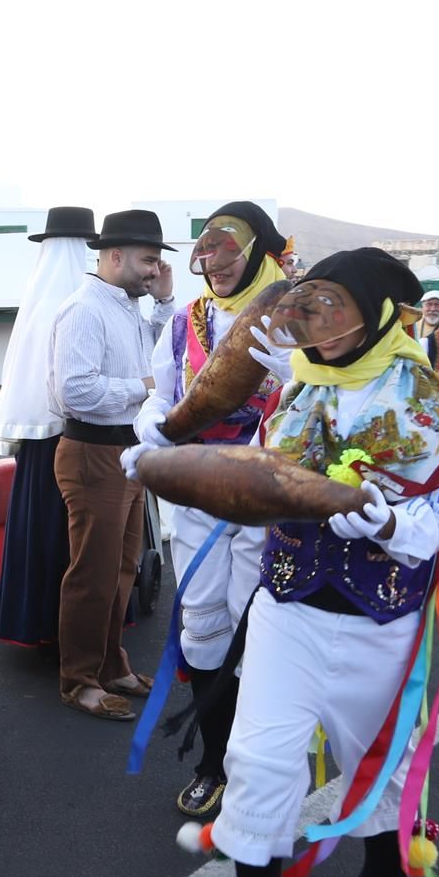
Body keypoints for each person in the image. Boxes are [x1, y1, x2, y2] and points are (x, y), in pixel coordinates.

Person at [165, 248, 439, 877]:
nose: (317, 324)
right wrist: (177, 464)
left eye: (333, 308)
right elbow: (254, 472)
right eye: (309, 306)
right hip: (288, 609)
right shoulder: (292, 388)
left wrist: (386, 523)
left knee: (383, 769)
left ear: (374, 316)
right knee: (260, 761)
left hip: (383, 620)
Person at [132, 202, 290, 816]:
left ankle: (258, 767)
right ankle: (214, 761)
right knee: (202, 625)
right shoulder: (186, 321)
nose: (214, 267)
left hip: (262, 495)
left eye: (227, 253)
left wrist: (256, 456)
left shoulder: (293, 314)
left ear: (255, 251)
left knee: (255, 625)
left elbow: (309, 401)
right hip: (195, 490)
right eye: (207, 254)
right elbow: (163, 391)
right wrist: (155, 430)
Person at [49, 209, 176, 720]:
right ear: (115, 256)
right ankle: (78, 678)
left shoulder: (125, 305)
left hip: (122, 453)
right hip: (93, 452)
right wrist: (142, 389)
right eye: (149, 260)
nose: (153, 269)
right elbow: (74, 391)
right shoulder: (84, 309)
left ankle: (110, 665)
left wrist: (165, 298)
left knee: (120, 568)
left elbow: (166, 348)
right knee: (93, 574)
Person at [0, 206, 96, 648]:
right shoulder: (74, 301)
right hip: (75, 436)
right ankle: (70, 633)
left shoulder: (38, 297)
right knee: (75, 537)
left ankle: (37, 625)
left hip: (39, 443)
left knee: (42, 533)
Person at [416, 291, 439, 360]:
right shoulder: (413, 325)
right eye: (428, 304)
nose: (433, 309)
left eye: (437, 305)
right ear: (422, 307)